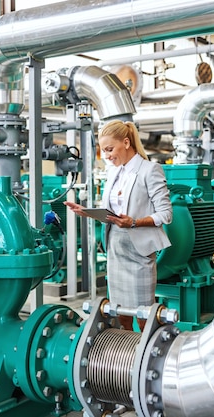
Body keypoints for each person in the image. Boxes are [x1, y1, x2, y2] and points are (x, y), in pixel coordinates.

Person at [64, 119, 173, 331]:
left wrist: (134, 222)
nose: (106, 155)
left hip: (139, 251)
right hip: (115, 247)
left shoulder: (150, 170)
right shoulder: (114, 172)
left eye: (109, 149)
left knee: (144, 314)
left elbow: (166, 214)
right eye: (103, 151)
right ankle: (125, 352)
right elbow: (112, 213)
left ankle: (143, 353)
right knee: (119, 311)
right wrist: (86, 211)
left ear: (126, 142)